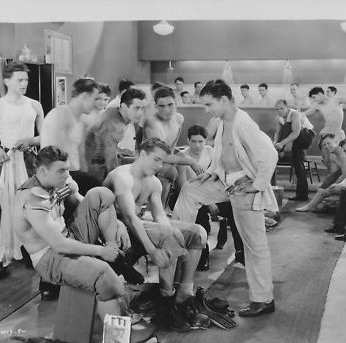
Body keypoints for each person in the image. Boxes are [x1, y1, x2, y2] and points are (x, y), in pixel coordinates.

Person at [173, 80, 278, 317]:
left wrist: (258, 185)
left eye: (209, 104)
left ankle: (263, 299)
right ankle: (181, 238)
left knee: (254, 245)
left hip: (243, 186)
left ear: (223, 100)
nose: (207, 109)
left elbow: (270, 153)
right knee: (191, 189)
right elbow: (223, 155)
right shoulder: (223, 123)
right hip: (225, 180)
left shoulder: (243, 122)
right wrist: (211, 172)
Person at [103, 138, 209, 332]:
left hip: (138, 223)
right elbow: (129, 218)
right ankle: (166, 305)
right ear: (142, 155)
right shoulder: (122, 176)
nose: (160, 166)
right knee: (170, 237)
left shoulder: (153, 183)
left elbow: (161, 217)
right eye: (156, 160)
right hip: (113, 228)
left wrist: (178, 240)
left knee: (198, 233)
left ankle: (184, 294)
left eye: (163, 161)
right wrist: (153, 250)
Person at [13, 146, 128, 315]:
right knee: (106, 279)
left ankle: (114, 256)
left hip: (69, 236)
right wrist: (102, 251)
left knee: (101, 193)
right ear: (43, 171)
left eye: (67, 169)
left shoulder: (52, 183)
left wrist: (117, 222)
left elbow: (86, 203)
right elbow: (59, 245)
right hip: (50, 257)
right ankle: (117, 340)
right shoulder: (33, 198)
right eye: (61, 170)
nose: (67, 174)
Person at [0, 61, 44, 278]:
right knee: (0, 209)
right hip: (5, 160)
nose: (24, 84)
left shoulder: (34, 105)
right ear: (7, 80)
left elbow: (44, 135)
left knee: (31, 208)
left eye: (26, 80)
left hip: (29, 160)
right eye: (19, 80)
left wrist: (32, 140)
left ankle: (31, 254)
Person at [174, 125, 244, 270]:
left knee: (235, 208)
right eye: (194, 141)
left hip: (209, 194)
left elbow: (218, 178)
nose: (198, 145)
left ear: (206, 141)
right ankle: (202, 255)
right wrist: (208, 203)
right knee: (201, 220)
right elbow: (181, 185)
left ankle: (240, 253)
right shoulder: (183, 156)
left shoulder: (211, 152)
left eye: (201, 141)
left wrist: (212, 200)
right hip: (189, 197)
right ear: (188, 140)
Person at [142, 87, 205, 209]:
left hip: (165, 159)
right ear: (155, 106)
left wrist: (180, 160)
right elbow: (161, 155)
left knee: (185, 171)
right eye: (162, 106)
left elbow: (170, 148)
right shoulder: (152, 123)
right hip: (148, 161)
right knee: (169, 170)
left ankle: (183, 207)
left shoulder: (179, 119)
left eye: (170, 104)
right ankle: (154, 210)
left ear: (176, 103)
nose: (167, 110)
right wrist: (190, 161)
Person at [41, 78, 102, 195]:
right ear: (85, 96)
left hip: (74, 173)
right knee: (100, 192)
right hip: (59, 175)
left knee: (100, 192)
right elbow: (53, 153)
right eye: (95, 99)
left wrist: (85, 174)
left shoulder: (80, 120)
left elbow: (80, 154)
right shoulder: (60, 115)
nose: (95, 104)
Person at [86, 88, 146, 180]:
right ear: (124, 106)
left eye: (142, 108)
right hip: (94, 171)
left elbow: (104, 142)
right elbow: (110, 161)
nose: (140, 113)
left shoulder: (114, 110)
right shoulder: (116, 126)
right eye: (136, 108)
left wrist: (120, 150)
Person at [304, 86, 346, 172]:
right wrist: (295, 112)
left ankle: (341, 179)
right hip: (326, 134)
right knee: (328, 161)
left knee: (342, 159)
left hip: (337, 134)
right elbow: (306, 113)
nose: (314, 100)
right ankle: (331, 180)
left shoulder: (336, 100)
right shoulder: (317, 105)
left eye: (314, 97)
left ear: (320, 94)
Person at [273, 99, 315, 201]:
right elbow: (277, 134)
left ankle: (302, 194)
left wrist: (282, 143)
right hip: (293, 139)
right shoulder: (278, 118)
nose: (280, 111)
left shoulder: (294, 114)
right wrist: (274, 144)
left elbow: (295, 133)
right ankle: (301, 194)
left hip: (306, 135)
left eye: (282, 108)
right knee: (297, 163)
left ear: (287, 107)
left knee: (298, 161)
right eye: (277, 109)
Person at [296, 133, 346, 212]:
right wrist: (325, 186)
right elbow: (333, 174)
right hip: (343, 174)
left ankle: (315, 205)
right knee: (324, 186)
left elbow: (345, 174)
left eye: (329, 143)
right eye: (325, 144)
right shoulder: (333, 155)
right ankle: (310, 206)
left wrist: (331, 188)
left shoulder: (343, 153)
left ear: (337, 142)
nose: (327, 146)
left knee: (328, 188)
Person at [107, 79, 137, 153]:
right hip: (119, 147)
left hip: (128, 145)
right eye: (132, 91)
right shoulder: (113, 106)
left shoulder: (130, 103)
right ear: (124, 91)